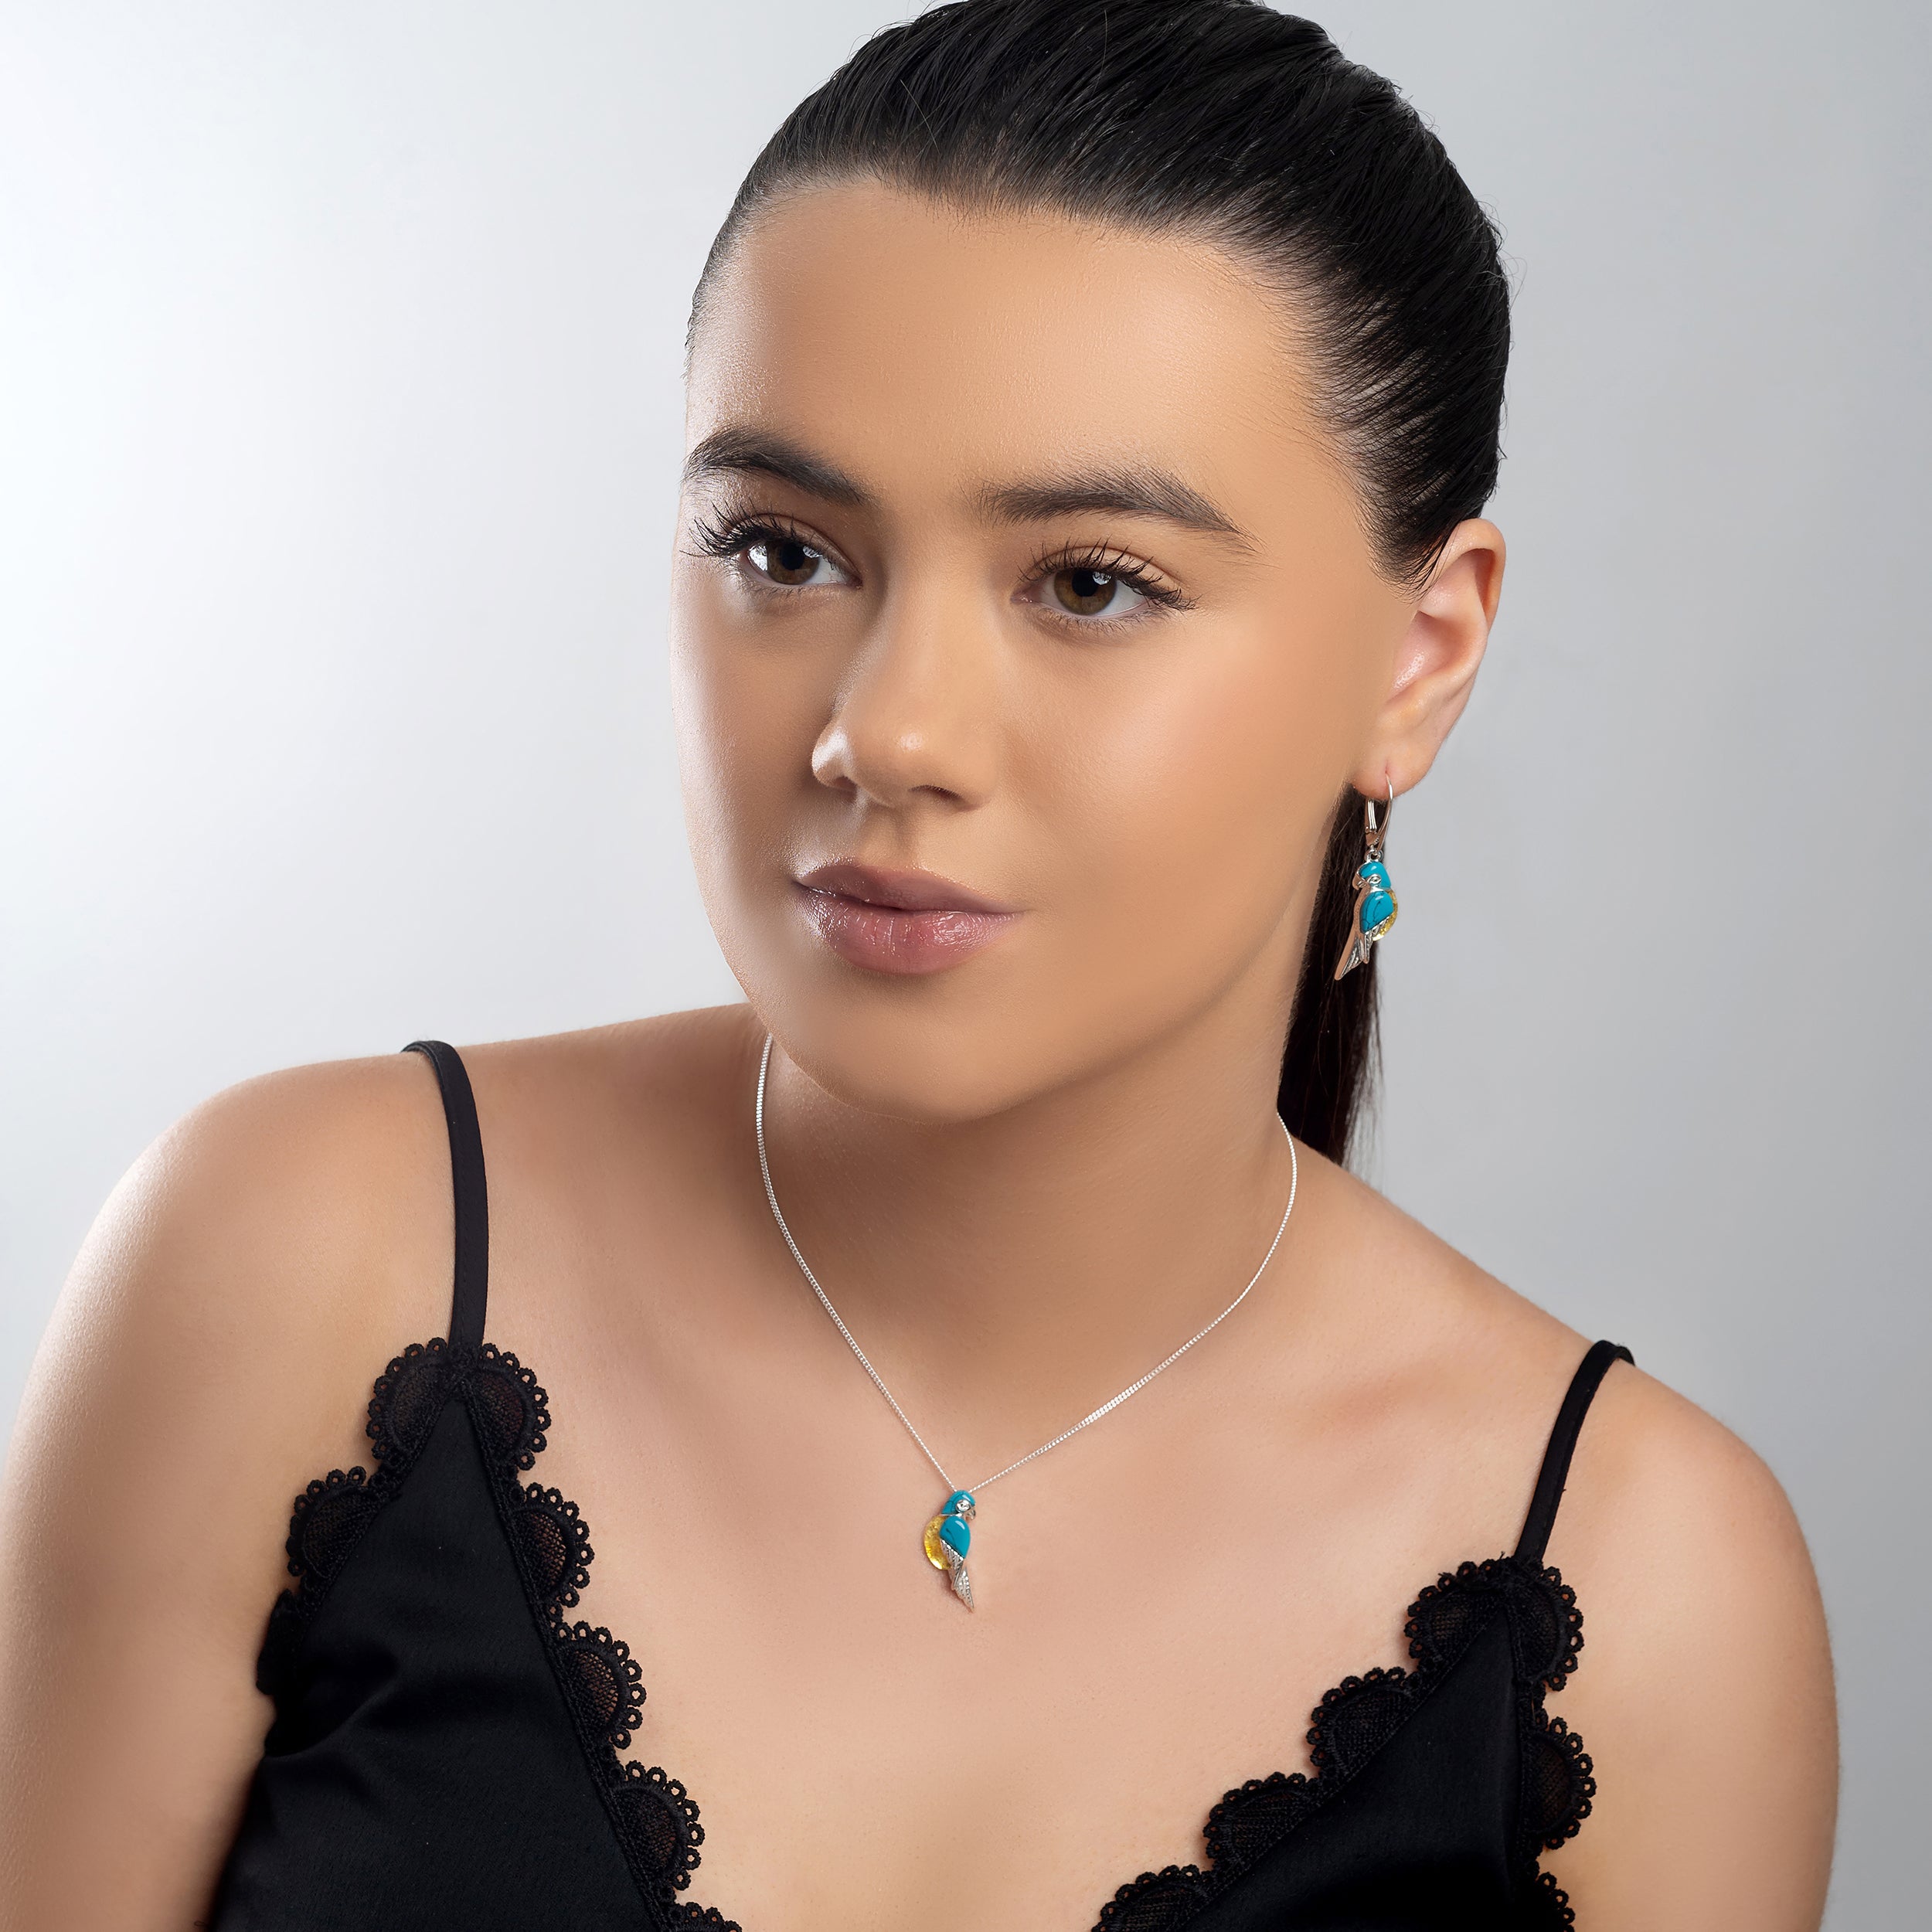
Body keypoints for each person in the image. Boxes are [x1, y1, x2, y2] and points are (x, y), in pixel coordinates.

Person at [0, 4, 1836, 1927]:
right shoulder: (296, 1262)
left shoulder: (1643, 1593)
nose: (884, 731)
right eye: (784, 551)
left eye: (1089, 582)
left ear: (1417, 657)